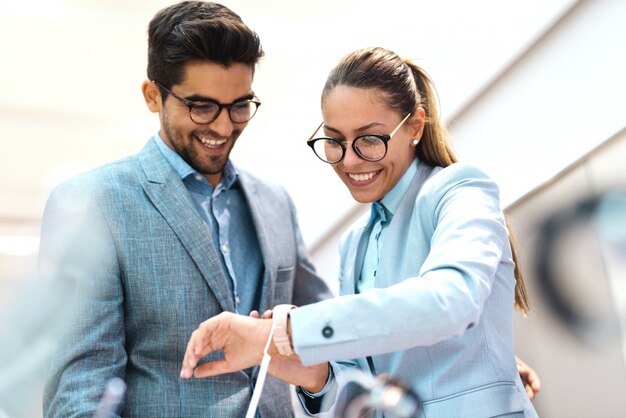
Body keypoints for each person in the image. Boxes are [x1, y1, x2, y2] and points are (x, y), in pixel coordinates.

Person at [181, 46, 540, 417]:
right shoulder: (354, 243)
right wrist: (312, 373)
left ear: (415, 125)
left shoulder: (460, 190)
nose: (350, 160)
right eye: (335, 141)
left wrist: (292, 328)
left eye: (370, 138)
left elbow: (449, 301)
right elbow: (361, 388)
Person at [38, 2, 332, 417]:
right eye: (202, 106)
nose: (224, 127)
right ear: (152, 96)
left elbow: (328, 343)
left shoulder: (275, 202)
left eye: (239, 106)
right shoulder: (93, 203)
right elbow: (81, 390)